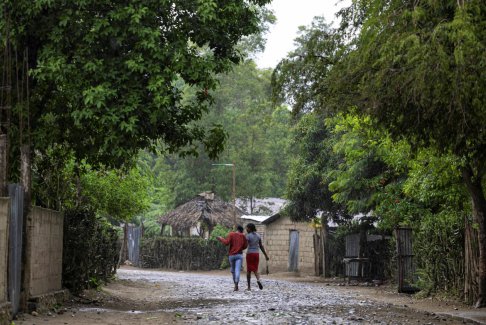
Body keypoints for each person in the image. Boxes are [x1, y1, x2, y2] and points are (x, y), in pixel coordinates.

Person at [217, 225, 248, 291]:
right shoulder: (243, 236)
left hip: (231, 255)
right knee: (237, 270)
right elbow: (245, 246)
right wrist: (240, 247)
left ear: (236, 229)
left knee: (233, 271)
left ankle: (235, 284)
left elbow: (226, 243)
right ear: (241, 230)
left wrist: (220, 238)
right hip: (239, 255)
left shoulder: (231, 234)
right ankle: (236, 284)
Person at [245, 223, 269, 291]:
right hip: (256, 254)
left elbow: (246, 245)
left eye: (247, 228)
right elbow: (261, 246)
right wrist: (266, 255)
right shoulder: (258, 235)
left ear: (250, 228)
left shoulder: (248, 236)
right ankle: (258, 279)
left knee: (249, 270)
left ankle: (249, 287)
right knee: (255, 269)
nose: (246, 229)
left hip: (250, 254)